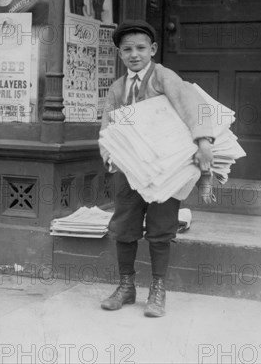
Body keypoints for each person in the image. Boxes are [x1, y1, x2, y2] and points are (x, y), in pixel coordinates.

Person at [99, 19, 215, 318]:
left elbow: (192, 105)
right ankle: (126, 286)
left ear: (153, 49)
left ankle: (158, 290)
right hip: (130, 168)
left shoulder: (163, 77)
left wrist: (203, 142)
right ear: (119, 54)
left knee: (161, 227)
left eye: (140, 48)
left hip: (167, 167)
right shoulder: (117, 88)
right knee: (124, 225)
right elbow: (109, 127)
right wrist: (110, 154)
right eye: (127, 49)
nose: (134, 54)